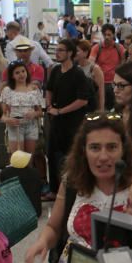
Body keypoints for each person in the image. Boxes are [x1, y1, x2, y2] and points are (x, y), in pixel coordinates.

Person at [24, 114, 132, 263]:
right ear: (84, 151)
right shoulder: (72, 182)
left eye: (112, 147)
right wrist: (43, 241)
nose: (103, 156)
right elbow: (53, 227)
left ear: (123, 150)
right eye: (94, 147)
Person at [45, 38, 94, 193]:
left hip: (72, 123)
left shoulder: (78, 74)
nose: (57, 53)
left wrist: (60, 111)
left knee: (71, 156)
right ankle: (54, 189)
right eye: (56, 50)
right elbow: (49, 89)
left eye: (60, 50)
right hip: (56, 121)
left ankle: (72, 189)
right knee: (52, 154)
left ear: (70, 53)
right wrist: (49, 105)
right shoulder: (55, 70)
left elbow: (82, 100)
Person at [0, 61, 45, 155]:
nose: (21, 74)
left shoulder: (34, 89)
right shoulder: (7, 91)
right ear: (12, 76)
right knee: (17, 159)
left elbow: (40, 112)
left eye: (23, 71)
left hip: (31, 127)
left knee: (29, 159)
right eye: (17, 72)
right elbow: (2, 115)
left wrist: (34, 114)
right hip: (15, 127)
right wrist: (8, 120)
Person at [91, 23, 126, 109]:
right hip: (100, 84)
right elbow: (90, 63)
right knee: (101, 107)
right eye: (105, 35)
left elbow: (125, 62)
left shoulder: (119, 48)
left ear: (113, 35)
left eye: (109, 35)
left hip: (115, 84)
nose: (106, 37)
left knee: (116, 108)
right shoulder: (97, 48)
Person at [75, 40, 106, 112]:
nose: (75, 53)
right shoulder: (76, 67)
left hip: (91, 107)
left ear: (85, 52)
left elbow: (100, 92)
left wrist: (101, 110)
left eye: (77, 51)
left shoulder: (95, 69)